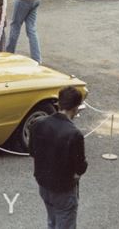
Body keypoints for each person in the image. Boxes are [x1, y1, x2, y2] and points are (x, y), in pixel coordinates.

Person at [29, 86, 88, 229]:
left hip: (43, 183)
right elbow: (80, 167)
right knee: (65, 223)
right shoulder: (74, 134)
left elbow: (32, 151)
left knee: (52, 221)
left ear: (59, 103)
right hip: (64, 188)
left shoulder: (38, 123)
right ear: (76, 107)